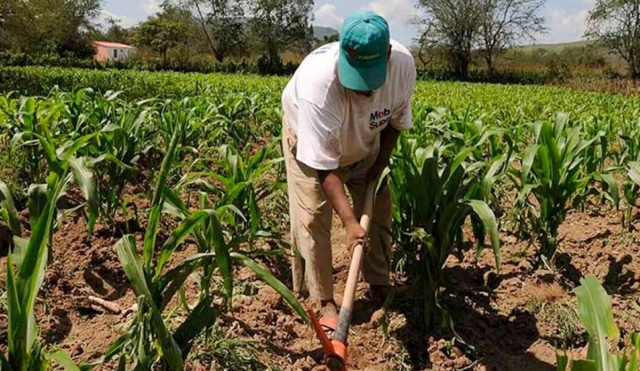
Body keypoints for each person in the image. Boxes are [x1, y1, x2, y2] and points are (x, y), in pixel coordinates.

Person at [280, 10, 416, 335]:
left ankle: (379, 281)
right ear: (342, 53)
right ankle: (324, 300)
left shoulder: (403, 66)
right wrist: (350, 222)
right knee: (313, 216)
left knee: (380, 204)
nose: (362, 91)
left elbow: (395, 124)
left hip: (366, 143)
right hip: (310, 143)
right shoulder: (318, 85)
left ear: (387, 57)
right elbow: (326, 169)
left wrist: (377, 169)